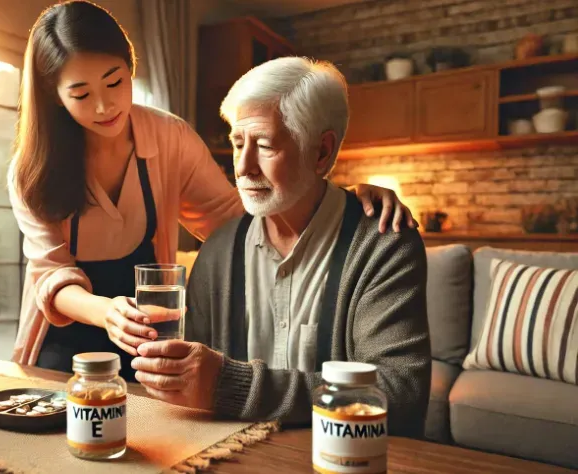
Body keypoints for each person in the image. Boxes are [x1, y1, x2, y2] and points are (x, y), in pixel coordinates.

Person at [8, 0, 416, 381]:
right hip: (62, 340)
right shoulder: (33, 170)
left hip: (146, 336)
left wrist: (339, 199)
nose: (104, 106)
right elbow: (51, 274)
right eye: (80, 94)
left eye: (115, 82)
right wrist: (106, 313)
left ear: (130, 67)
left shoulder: (170, 137)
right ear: (55, 97)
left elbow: (239, 217)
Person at [130, 57, 431, 438]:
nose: (243, 166)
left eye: (265, 146)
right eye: (238, 143)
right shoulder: (219, 250)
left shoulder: (383, 244)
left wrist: (229, 385)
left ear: (322, 152)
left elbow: (401, 396)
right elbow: (189, 392)